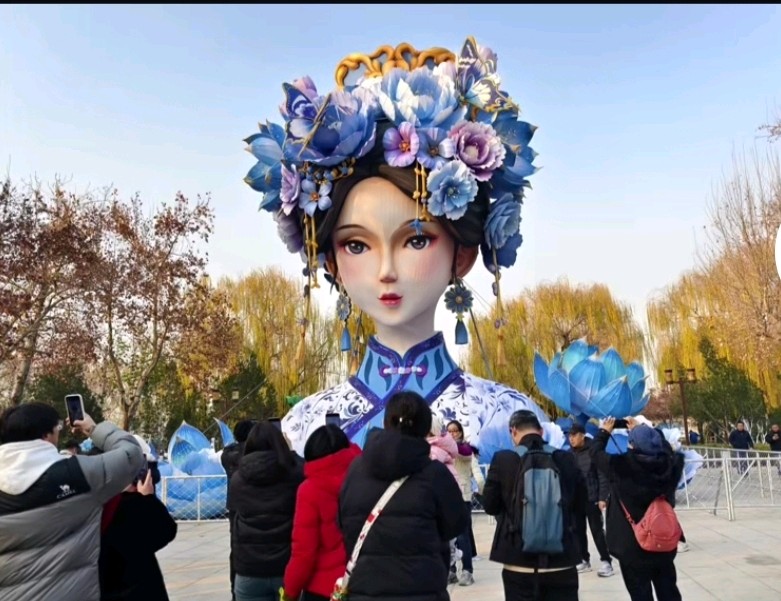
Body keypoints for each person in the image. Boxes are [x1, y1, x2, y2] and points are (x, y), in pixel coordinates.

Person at [242, 36, 556, 466]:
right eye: (357, 245)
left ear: (462, 255)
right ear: (331, 262)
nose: (386, 270)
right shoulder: (304, 426)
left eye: (416, 240)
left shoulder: (504, 417)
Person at [0, 403, 145, 601]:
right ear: (47, 435)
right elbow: (131, 454)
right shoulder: (79, 474)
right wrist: (93, 428)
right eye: (58, 428)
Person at [338, 391, 468, 601]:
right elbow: (457, 523)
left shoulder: (355, 470)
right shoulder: (435, 474)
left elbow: (342, 522)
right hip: (423, 591)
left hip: (365, 591)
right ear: (426, 428)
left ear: (385, 422)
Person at [482, 410, 585, 601]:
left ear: (513, 431)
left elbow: (490, 506)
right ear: (541, 431)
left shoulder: (503, 459)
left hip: (518, 562)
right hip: (562, 561)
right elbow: (581, 505)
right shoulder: (566, 459)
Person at [591, 417, 685, 601]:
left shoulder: (621, 467)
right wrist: (647, 431)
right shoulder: (669, 466)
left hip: (632, 546)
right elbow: (667, 449)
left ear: (632, 445)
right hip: (662, 540)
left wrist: (604, 432)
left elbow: (596, 453)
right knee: (668, 591)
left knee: (640, 594)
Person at [282, 425, 361, 601]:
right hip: (363, 582)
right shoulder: (364, 478)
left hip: (323, 589)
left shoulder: (309, 490)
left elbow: (304, 553)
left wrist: (289, 593)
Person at [230, 420, 304, 601]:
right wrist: (290, 451)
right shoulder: (294, 474)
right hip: (286, 567)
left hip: (249, 568)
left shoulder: (238, 480)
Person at [98, 467, 178, 600]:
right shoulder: (129, 505)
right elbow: (166, 531)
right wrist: (148, 499)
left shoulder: (91, 504)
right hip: (138, 588)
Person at [567, 422, 613, 577]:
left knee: (597, 531)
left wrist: (602, 497)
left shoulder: (593, 450)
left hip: (592, 498)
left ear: (582, 435)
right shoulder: (569, 454)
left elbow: (602, 476)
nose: (571, 438)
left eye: (574, 435)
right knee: (578, 531)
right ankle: (583, 559)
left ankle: (606, 561)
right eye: (569, 435)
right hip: (576, 499)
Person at [221, 419, 258, 600]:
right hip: (252, 505)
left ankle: (235, 591)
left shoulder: (228, 455)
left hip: (234, 507)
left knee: (236, 548)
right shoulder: (251, 454)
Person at [446, 418, 485, 586]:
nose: (452, 434)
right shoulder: (444, 451)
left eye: (455, 430)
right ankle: (451, 570)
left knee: (462, 537)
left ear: (461, 432)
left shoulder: (467, 452)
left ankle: (467, 571)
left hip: (463, 498)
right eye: (449, 431)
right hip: (446, 497)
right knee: (448, 537)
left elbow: (479, 477)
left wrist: (481, 491)